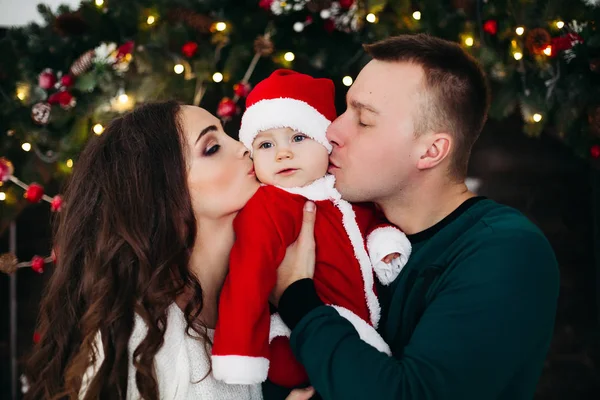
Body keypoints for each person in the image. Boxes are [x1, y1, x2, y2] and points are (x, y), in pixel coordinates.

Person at [269, 34, 560, 400]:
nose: (332, 130)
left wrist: (297, 300)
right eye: (345, 109)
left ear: (431, 151)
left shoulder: (506, 252)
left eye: (364, 120)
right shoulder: (337, 225)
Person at [24, 101, 314, 400]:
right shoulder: (140, 341)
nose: (244, 147)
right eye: (211, 147)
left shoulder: (261, 301)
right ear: (164, 196)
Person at [211, 69, 411, 388]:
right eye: (265, 145)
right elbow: (248, 274)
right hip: (301, 333)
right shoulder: (271, 205)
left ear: (324, 142)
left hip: (355, 320)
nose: (283, 153)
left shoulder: (339, 189)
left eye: (298, 137)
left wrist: (383, 243)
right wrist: (239, 352)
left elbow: (368, 220)